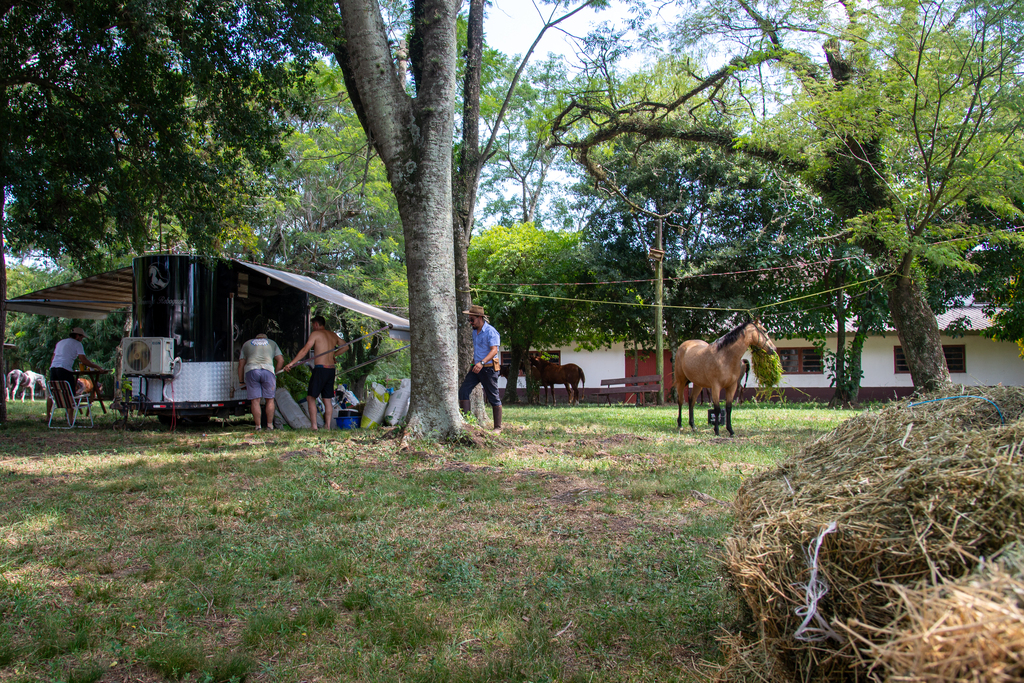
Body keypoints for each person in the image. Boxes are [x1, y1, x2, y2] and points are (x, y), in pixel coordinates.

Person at [282, 315, 348, 430]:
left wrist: (291, 363)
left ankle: (314, 426)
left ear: (316, 324)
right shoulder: (332, 335)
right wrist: (334, 355)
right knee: (327, 399)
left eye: (313, 325)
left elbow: (304, 350)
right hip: (331, 369)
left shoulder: (316, 334)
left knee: (310, 398)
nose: (313, 328)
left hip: (320, 369)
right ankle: (327, 427)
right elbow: (345, 346)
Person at [458, 304, 502, 432]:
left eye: (472, 319)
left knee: (493, 396)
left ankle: (498, 427)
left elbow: (494, 350)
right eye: (469, 320)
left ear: (480, 318)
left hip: (488, 368)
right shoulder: (474, 332)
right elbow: (477, 350)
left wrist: (481, 363)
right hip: (476, 367)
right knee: (463, 390)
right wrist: (473, 364)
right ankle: (467, 423)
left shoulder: (491, 332)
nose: (470, 322)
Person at [48, 326, 103, 422]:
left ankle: (48, 416)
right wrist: (97, 367)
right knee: (70, 393)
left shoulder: (60, 342)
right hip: (64, 369)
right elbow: (83, 360)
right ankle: (70, 418)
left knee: (53, 392)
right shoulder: (77, 344)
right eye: (81, 337)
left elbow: (53, 357)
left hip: (53, 368)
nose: (82, 339)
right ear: (77, 336)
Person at [238, 333, 285, 431]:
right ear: (266, 339)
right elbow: (281, 360)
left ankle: (258, 426)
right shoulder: (272, 343)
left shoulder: (247, 344)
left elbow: (241, 364)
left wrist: (241, 381)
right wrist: (275, 373)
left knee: (255, 400)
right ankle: (269, 425)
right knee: (270, 399)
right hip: (268, 371)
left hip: (252, 370)